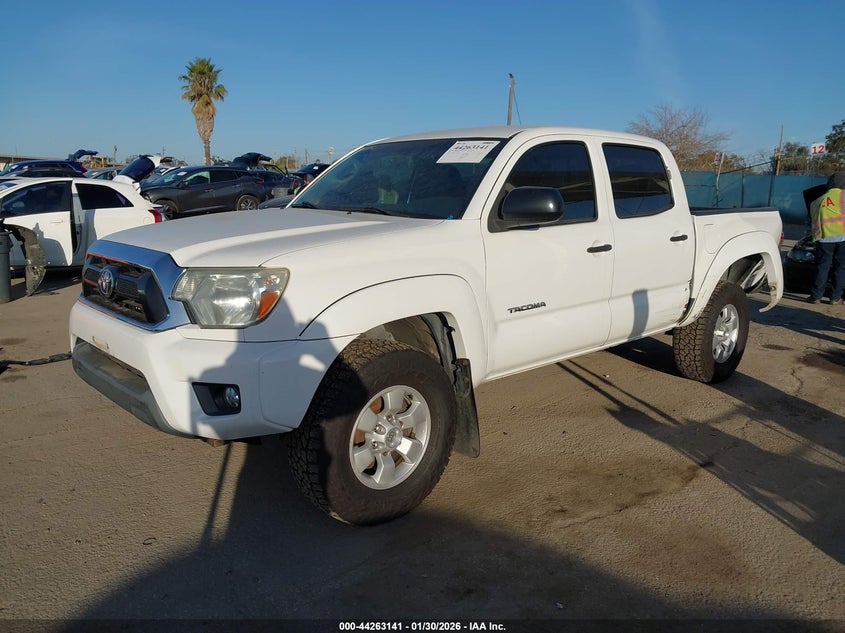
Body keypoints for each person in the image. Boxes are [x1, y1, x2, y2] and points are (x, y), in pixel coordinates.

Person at [807, 170, 845, 304]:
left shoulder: (816, 201)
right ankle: (835, 297)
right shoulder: (843, 195)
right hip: (842, 237)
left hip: (824, 238)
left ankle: (816, 296)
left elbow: (812, 222)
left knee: (822, 267)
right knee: (840, 268)